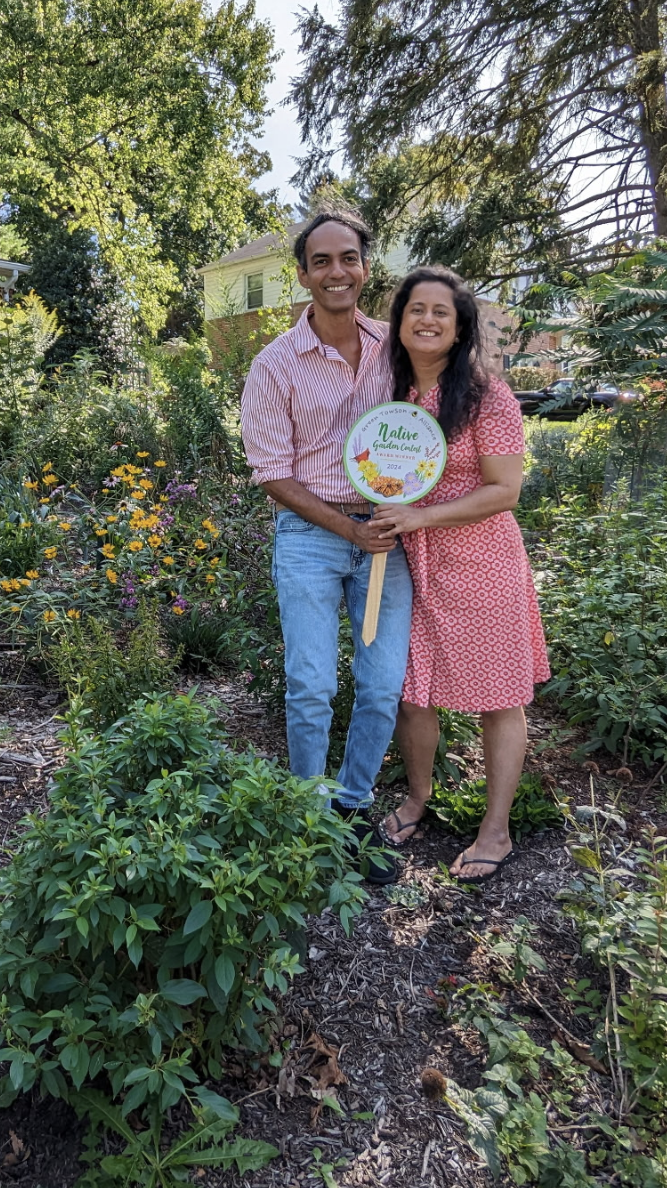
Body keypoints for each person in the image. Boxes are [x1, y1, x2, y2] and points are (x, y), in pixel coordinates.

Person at [240, 210, 411, 885]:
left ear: (365, 266)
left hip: (387, 538)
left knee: (381, 687)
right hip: (313, 538)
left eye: (348, 258)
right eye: (322, 261)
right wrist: (349, 530)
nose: (336, 272)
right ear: (304, 273)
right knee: (312, 685)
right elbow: (272, 474)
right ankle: (306, 815)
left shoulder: (398, 348)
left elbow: (430, 423)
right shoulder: (274, 364)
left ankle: (351, 808)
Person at [365, 266, 550, 882]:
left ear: (461, 325)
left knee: (499, 698)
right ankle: (418, 799)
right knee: (411, 692)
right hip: (412, 564)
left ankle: (495, 831)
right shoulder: (390, 396)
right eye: (415, 309)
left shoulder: (487, 396)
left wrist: (422, 514)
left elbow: (505, 490)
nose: (426, 319)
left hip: (482, 562)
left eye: (441, 311)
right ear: (399, 322)